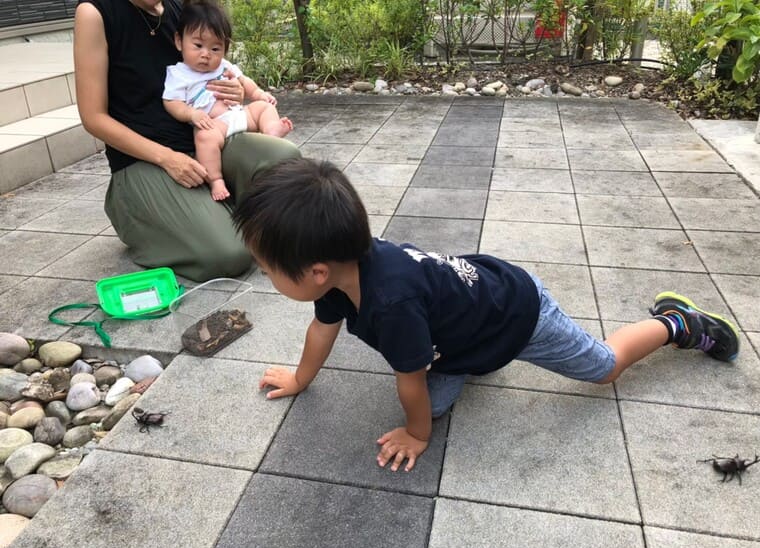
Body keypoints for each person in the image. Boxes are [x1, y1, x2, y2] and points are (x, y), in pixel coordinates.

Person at [232, 158, 740, 473]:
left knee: (602, 369)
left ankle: (677, 323)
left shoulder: (393, 308)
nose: (265, 275)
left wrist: (418, 435)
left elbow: (408, 381)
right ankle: (467, 356)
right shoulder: (345, 270)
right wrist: (300, 378)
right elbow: (322, 328)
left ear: (317, 271)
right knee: (432, 398)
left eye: (267, 267)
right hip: (463, 318)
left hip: (517, 313)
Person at [74, 0, 300, 282]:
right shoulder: (95, 13)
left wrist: (234, 89)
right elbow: (93, 118)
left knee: (284, 157)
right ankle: (142, 222)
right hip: (144, 161)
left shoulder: (180, 9)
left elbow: (212, 70)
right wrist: (167, 158)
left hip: (202, 139)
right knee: (228, 255)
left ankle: (220, 213)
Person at [163, 0, 293, 202]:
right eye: (198, 45)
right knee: (204, 138)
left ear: (225, 49)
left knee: (263, 108)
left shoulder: (224, 66)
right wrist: (191, 113)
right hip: (216, 125)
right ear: (179, 41)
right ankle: (216, 179)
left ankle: (271, 131)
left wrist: (258, 94)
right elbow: (171, 102)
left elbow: (244, 81)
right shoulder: (178, 74)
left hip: (240, 114)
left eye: (215, 48)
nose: (206, 54)